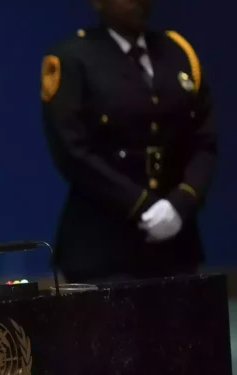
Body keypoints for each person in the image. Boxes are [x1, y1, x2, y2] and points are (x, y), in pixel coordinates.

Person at [40, 0, 217, 283]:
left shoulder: (178, 52)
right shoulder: (72, 57)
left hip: (176, 244)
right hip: (102, 245)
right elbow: (72, 152)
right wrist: (141, 204)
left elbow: (204, 142)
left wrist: (182, 201)